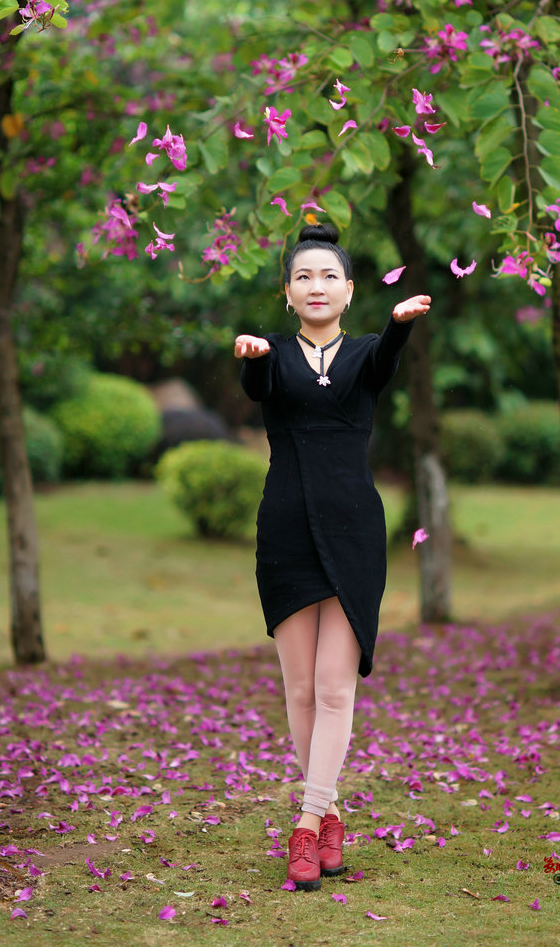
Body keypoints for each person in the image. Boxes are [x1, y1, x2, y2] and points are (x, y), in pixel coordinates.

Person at [235, 223, 431, 891]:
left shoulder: (368, 352)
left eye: (328, 276)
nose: (315, 286)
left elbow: (384, 366)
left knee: (333, 688)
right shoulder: (273, 355)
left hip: (353, 533)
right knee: (297, 688)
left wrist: (400, 325)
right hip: (285, 532)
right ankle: (333, 816)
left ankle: (304, 824)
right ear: (287, 294)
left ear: (348, 291)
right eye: (302, 277)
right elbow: (258, 388)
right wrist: (253, 356)